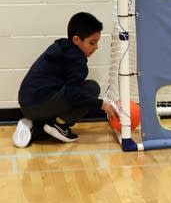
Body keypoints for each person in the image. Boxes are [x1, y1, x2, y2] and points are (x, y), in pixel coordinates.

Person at [13, 12, 118, 147]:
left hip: (25, 104)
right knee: (91, 88)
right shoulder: (77, 61)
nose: (96, 48)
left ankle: (35, 124)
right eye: (92, 43)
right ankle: (55, 126)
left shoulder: (61, 47)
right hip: (38, 105)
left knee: (75, 91)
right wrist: (102, 104)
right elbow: (73, 95)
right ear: (76, 40)